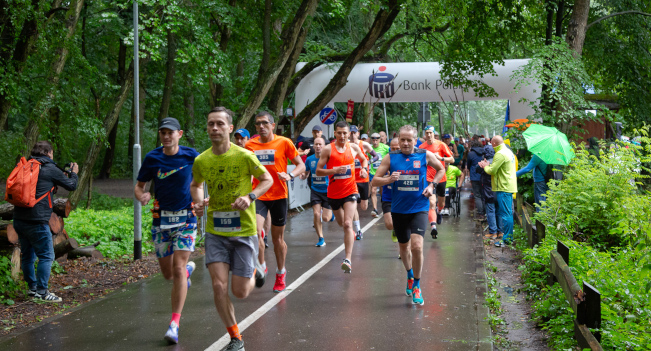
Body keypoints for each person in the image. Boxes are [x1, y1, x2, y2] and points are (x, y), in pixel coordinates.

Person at [190, 107, 273, 351]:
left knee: (240, 292)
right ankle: (236, 339)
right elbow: (196, 185)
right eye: (210, 124)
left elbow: (267, 179)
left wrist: (250, 196)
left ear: (229, 127)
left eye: (219, 124)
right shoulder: (202, 159)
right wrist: (197, 202)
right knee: (218, 286)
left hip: (243, 231)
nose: (214, 128)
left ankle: (255, 271)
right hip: (216, 231)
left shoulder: (245, 156)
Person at [134, 117, 199, 344]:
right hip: (161, 221)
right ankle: (187, 273)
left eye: (170, 132)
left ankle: (174, 324)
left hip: (187, 220)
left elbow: (203, 178)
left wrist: (202, 200)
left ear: (179, 134)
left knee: (179, 269)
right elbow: (139, 185)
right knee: (168, 274)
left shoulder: (191, 155)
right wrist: (142, 195)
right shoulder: (153, 157)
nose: (166, 136)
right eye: (163, 132)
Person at [371, 125, 445, 305]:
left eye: (409, 140)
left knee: (417, 246)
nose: (405, 143)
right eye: (402, 139)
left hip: (419, 206)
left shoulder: (424, 155)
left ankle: (418, 285)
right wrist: (389, 179)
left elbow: (441, 169)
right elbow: (374, 180)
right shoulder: (391, 157)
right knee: (404, 247)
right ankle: (410, 275)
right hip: (398, 209)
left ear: (415, 140)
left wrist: (431, 185)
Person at [245, 111, 305, 293]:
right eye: (257, 124)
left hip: (279, 195)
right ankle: (261, 265)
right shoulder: (249, 145)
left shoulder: (284, 142)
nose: (261, 126)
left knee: (277, 239)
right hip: (259, 194)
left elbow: (300, 164)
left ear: (272, 125)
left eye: (264, 123)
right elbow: (246, 172)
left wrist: (290, 175)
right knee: (255, 232)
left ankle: (281, 272)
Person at [13, 141, 79, 303]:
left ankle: (33, 288)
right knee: (47, 256)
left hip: (19, 220)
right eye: (52, 153)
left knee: (28, 256)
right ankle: (42, 292)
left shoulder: (25, 166)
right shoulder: (50, 168)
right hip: (37, 221)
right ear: (49, 153)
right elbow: (71, 185)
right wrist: (74, 173)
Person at [316, 121, 368, 273]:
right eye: (339, 133)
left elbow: (364, 159)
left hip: (350, 190)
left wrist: (364, 169)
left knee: (347, 223)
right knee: (341, 224)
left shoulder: (353, 148)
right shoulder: (328, 150)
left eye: (345, 133)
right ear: (335, 133)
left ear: (349, 134)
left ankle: (348, 259)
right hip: (333, 194)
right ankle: (350, 234)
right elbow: (319, 171)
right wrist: (334, 170)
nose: (343, 136)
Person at [478, 136, 517, 247]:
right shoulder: (508, 151)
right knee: (506, 213)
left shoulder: (500, 154)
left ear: (494, 143)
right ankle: (507, 238)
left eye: (491, 143)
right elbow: (499, 167)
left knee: (506, 214)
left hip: (503, 187)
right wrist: (489, 166)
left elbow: (492, 170)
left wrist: (485, 166)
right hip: (507, 186)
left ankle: (507, 240)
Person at [418, 125, 454, 238]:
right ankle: (433, 226)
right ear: (425, 134)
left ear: (434, 134)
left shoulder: (441, 144)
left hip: (441, 177)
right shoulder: (422, 147)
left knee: (441, 203)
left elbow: (452, 159)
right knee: (432, 203)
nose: (428, 135)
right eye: (427, 133)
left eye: (430, 133)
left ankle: (439, 212)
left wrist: (440, 158)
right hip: (428, 179)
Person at [300, 136, 334, 247]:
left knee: (325, 218)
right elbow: (306, 173)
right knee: (316, 214)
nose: (318, 146)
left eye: (320, 144)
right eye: (316, 144)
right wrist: (303, 175)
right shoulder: (310, 159)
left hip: (328, 191)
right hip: (315, 190)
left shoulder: (329, 158)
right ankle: (321, 238)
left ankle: (331, 213)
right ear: (313, 146)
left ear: (324, 146)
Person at [348, 125, 379, 240]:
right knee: (353, 204)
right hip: (351, 180)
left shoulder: (364, 145)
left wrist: (368, 162)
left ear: (357, 134)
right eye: (350, 132)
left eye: (354, 132)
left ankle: (357, 227)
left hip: (363, 179)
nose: (352, 134)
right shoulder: (346, 145)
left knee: (364, 206)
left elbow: (376, 156)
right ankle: (358, 230)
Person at [475, 145, 499, 239]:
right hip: (498, 188)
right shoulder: (498, 161)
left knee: (490, 210)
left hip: (488, 190)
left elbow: (477, 169)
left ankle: (493, 232)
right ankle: (500, 232)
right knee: (499, 210)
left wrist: (482, 164)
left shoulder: (484, 163)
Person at [380, 138, 401, 243]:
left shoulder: (406, 160)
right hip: (388, 197)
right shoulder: (386, 160)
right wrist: (387, 177)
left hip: (402, 197)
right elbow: (376, 179)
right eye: (392, 148)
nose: (395, 150)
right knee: (389, 225)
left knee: (405, 227)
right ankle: (395, 229)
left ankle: (403, 251)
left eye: (397, 148)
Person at [368, 132, 391, 218]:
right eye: (373, 140)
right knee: (373, 191)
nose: (375, 142)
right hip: (373, 173)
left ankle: (384, 205)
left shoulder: (385, 148)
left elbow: (392, 155)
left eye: (376, 140)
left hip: (383, 172)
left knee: (382, 191)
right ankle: (375, 209)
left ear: (379, 140)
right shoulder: (369, 149)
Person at [467, 139, 486, 220]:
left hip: (474, 176)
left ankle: (480, 213)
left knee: (477, 195)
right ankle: (485, 212)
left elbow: (468, 165)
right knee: (483, 195)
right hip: (484, 175)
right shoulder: (484, 153)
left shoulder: (470, 154)